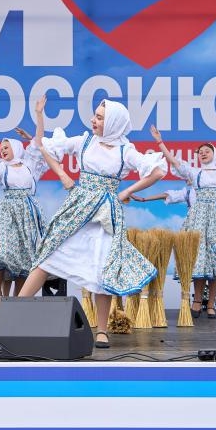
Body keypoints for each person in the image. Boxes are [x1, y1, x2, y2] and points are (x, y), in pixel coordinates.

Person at [17, 98, 167, 349]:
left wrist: (124, 192)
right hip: (77, 208)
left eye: (100, 118)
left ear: (113, 123)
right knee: (47, 257)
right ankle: (15, 315)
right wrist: (63, 174)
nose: (93, 121)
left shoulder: (124, 150)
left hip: (105, 215)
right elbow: (45, 147)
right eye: (95, 115)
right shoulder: (84, 141)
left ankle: (102, 330)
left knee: (101, 269)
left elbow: (158, 172)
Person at [0, 97, 52, 308]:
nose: (2, 149)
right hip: (8, 211)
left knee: (25, 258)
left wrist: (39, 114)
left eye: (6, 146)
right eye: (0, 147)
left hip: (28, 214)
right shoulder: (1, 168)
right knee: (1, 250)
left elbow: (39, 141)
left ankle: (17, 303)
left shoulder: (30, 164)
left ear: (16, 147)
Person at [150, 127, 216, 319]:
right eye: (200, 152)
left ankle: (211, 303)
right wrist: (160, 142)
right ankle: (197, 300)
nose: (202, 153)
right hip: (199, 216)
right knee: (199, 258)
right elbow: (175, 161)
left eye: (206, 151)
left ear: (214, 153)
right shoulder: (194, 173)